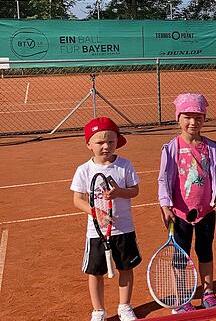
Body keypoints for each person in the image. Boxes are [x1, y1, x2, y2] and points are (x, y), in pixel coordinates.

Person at [157, 94, 216, 313]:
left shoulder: (212, 148)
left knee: (205, 251)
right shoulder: (171, 148)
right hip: (180, 213)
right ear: (178, 118)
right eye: (187, 117)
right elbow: (163, 179)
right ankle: (183, 295)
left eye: (198, 117)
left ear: (204, 119)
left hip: (206, 211)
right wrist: (166, 205)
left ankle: (208, 292)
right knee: (180, 256)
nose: (193, 122)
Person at [71, 117, 141, 321]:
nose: (106, 146)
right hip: (96, 232)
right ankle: (98, 310)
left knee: (126, 268)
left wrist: (119, 192)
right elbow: (77, 200)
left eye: (111, 141)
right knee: (95, 272)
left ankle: (124, 307)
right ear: (89, 145)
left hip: (124, 229)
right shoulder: (84, 170)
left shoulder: (124, 166)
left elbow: (135, 191)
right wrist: (96, 213)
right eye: (100, 142)